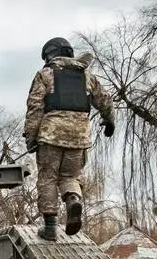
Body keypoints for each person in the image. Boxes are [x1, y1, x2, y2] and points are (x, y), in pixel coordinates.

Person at [22, 37, 116, 241]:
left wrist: (31, 137)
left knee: (48, 177)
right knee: (70, 177)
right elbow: (105, 100)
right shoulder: (87, 76)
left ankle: (50, 228)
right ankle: (73, 199)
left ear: (50, 55)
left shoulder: (45, 74)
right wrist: (110, 121)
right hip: (79, 137)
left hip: (51, 136)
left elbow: (35, 107)